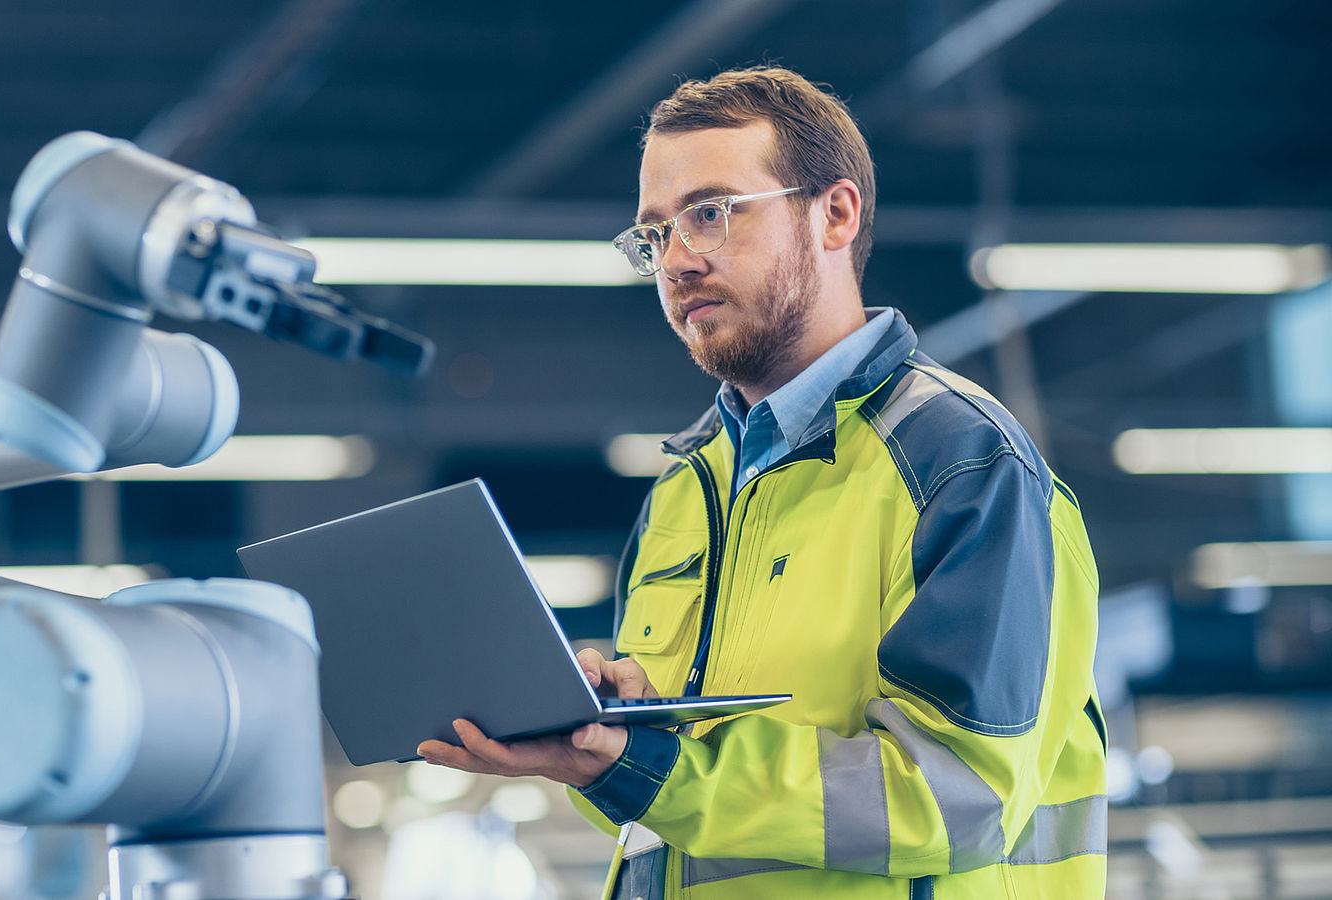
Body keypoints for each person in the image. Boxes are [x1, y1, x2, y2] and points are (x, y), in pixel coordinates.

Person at [418, 66, 1106, 899]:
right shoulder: (684, 492)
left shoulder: (960, 463)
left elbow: (957, 797)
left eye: (709, 215)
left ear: (835, 214)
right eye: (655, 234)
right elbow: (663, 817)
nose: (674, 261)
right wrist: (608, 743)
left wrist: (653, 765)